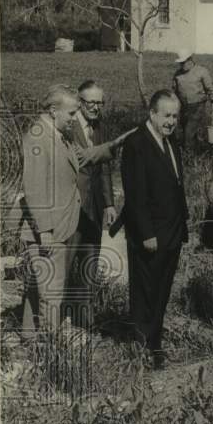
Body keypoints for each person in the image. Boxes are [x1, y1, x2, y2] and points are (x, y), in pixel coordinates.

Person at [10, 85, 135, 342]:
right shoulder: (36, 137)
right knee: (52, 293)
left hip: (61, 223)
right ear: (54, 111)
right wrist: (44, 230)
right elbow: (33, 189)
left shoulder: (59, 134)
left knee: (39, 286)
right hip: (48, 227)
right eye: (70, 113)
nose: (73, 118)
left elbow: (85, 157)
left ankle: (28, 336)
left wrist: (114, 144)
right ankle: (49, 348)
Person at [115, 90, 189, 368]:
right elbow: (136, 195)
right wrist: (146, 233)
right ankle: (143, 346)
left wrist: (182, 226)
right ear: (153, 113)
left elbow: (175, 185)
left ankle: (154, 342)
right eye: (167, 115)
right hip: (150, 235)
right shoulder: (137, 144)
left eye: (175, 116)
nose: (171, 121)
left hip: (172, 232)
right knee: (145, 289)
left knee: (162, 288)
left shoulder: (170, 143)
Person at [68, 80, 118, 290]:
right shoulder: (67, 126)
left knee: (90, 266)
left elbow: (104, 167)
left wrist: (109, 204)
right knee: (66, 264)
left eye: (100, 103)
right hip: (72, 208)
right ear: (80, 102)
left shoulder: (99, 127)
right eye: (91, 103)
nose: (96, 107)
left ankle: (85, 320)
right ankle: (58, 318)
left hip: (95, 209)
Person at [171, 50, 213, 150]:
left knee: (189, 133)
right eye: (180, 63)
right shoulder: (177, 75)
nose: (182, 65)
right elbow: (174, 91)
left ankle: (188, 157)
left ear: (190, 60)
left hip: (197, 106)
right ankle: (198, 152)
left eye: (183, 62)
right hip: (183, 107)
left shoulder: (202, 71)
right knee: (185, 131)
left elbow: (210, 89)